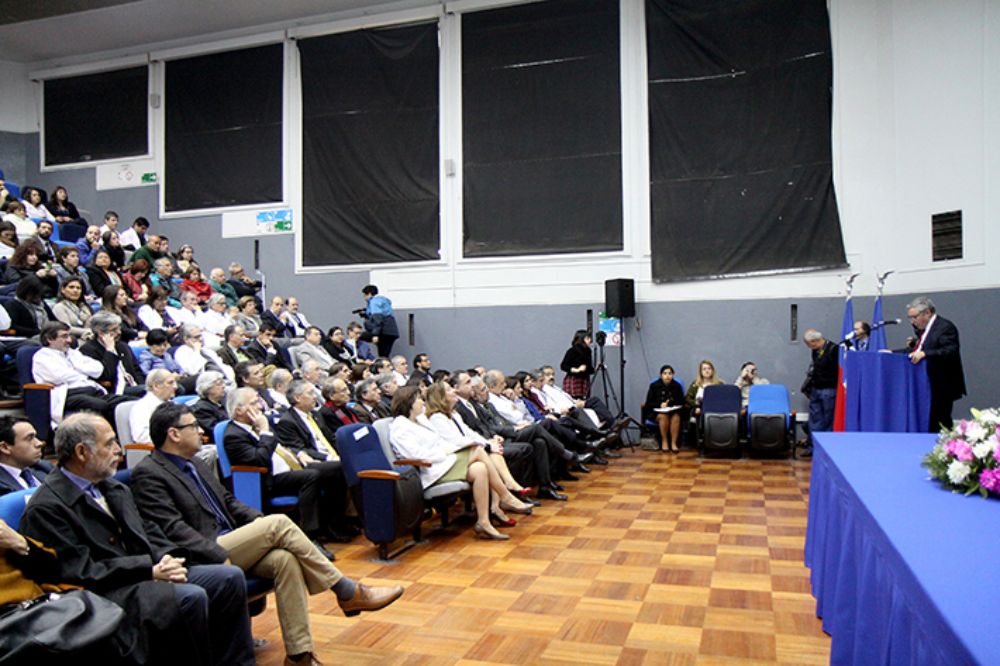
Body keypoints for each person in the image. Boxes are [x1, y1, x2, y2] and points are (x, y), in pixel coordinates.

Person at [133, 401, 405, 665]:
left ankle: (299, 655)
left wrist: (259, 526)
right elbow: (173, 529)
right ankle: (346, 590)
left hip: (229, 539)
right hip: (200, 552)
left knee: (283, 560)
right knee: (278, 524)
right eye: (193, 426)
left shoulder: (197, 463)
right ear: (174, 434)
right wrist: (219, 551)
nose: (201, 431)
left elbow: (228, 502)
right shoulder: (149, 473)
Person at [19, 413, 256, 666]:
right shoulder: (47, 507)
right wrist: (149, 569)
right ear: (81, 452)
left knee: (228, 578)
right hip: (105, 590)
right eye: (109, 443)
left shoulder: (113, 487)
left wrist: (166, 557)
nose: (118, 450)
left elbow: (148, 530)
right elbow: (79, 570)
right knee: (190, 597)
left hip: (144, 572)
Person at [389, 386, 534, 541]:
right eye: (418, 398)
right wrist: (448, 452)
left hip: (445, 461)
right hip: (432, 469)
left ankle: (483, 521)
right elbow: (416, 455)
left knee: (480, 469)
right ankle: (506, 496)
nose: (422, 401)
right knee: (478, 450)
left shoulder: (421, 420)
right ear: (408, 402)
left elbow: (440, 441)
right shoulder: (400, 426)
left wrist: (450, 451)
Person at [222, 387, 336, 557]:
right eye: (254, 403)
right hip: (267, 480)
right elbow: (259, 460)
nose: (260, 406)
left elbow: (281, 446)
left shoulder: (255, 425)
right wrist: (265, 432)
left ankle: (332, 525)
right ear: (239, 411)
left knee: (332, 470)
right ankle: (310, 537)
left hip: (289, 467)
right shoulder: (234, 435)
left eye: (259, 400)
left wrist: (298, 454)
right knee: (310, 477)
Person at [274, 380, 356, 541]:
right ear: (297, 398)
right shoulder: (287, 421)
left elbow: (329, 438)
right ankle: (331, 524)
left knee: (348, 463)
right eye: (310, 393)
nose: (314, 397)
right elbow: (300, 449)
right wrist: (329, 457)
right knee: (339, 468)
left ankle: (343, 519)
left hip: (329, 458)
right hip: (309, 463)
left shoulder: (316, 414)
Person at [905, 296, 966, 432]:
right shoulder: (924, 330)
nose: (912, 322)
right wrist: (891, 351)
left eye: (914, 317)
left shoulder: (944, 327)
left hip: (941, 384)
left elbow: (950, 350)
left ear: (927, 313)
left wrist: (925, 353)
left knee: (940, 422)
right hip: (926, 383)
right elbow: (919, 349)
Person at [802, 329, 839, 456]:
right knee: (815, 420)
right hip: (816, 389)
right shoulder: (815, 351)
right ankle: (813, 447)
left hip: (829, 389)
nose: (808, 347)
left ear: (815, 341)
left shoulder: (834, 349)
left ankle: (825, 449)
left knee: (828, 420)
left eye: (809, 344)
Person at [0, 416, 51, 495]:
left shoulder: (43, 467)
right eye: (30, 438)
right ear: (5, 448)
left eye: (35, 437)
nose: (40, 443)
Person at [129, 369, 178, 444]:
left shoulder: (172, 403)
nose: (175, 386)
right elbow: (141, 437)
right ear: (156, 386)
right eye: (170, 383)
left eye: (175, 382)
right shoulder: (142, 407)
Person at [643, 365, 685, 453]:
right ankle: (664, 441)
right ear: (661, 375)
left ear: (673, 375)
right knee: (663, 416)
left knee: (676, 417)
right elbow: (648, 403)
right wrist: (660, 405)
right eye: (665, 373)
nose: (667, 376)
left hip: (673, 411)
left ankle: (673, 443)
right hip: (657, 412)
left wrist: (670, 404)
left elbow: (681, 401)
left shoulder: (677, 386)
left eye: (670, 373)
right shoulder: (654, 386)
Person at [51, 276, 94, 341]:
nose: (75, 290)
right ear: (63, 290)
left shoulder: (85, 307)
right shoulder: (59, 307)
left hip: (89, 338)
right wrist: (87, 331)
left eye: (78, 288)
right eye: (71, 287)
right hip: (71, 340)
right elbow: (66, 328)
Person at [361, 284, 399, 356]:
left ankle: (362, 356)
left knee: (360, 336)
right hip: (391, 332)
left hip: (383, 332)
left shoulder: (374, 302)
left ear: (369, 294)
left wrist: (375, 335)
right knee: (384, 354)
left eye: (364, 295)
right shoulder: (383, 301)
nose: (364, 298)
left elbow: (378, 320)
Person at [192, 371, 229, 440]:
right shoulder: (201, 409)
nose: (223, 386)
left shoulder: (224, 401)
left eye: (223, 383)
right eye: (219, 384)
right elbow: (217, 431)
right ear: (207, 388)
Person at [559, 329, 594, 398]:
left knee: (584, 400)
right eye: (587, 338)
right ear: (581, 339)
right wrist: (576, 369)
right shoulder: (572, 350)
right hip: (574, 379)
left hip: (584, 380)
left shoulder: (588, 351)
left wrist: (591, 369)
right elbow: (563, 366)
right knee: (573, 400)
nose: (590, 340)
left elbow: (589, 366)